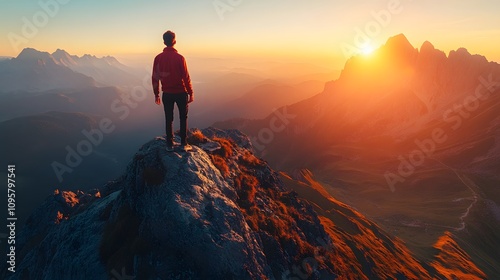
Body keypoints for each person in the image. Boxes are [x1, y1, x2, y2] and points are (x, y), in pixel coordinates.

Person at [152, 30, 194, 151]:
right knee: (183, 117)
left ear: (164, 41)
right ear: (174, 41)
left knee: (168, 118)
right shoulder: (180, 58)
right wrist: (191, 93)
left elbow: (155, 77)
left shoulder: (158, 58)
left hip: (167, 94)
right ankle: (183, 143)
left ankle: (169, 144)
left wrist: (157, 94)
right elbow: (186, 77)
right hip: (181, 93)